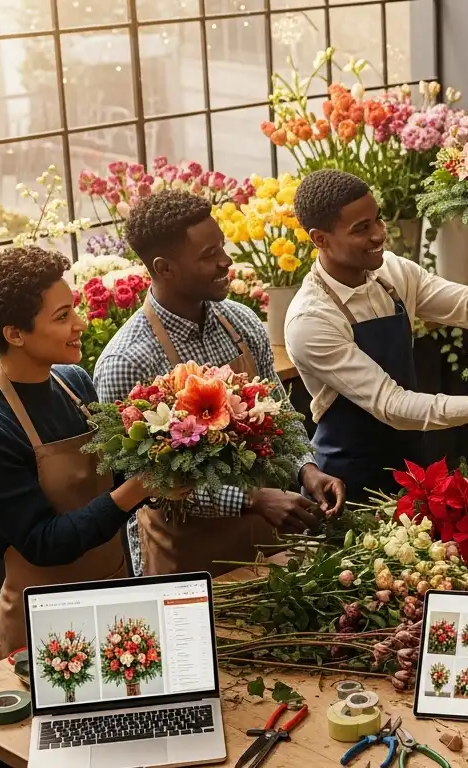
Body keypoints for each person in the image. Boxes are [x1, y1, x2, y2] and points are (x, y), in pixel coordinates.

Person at [95, 189, 345, 577]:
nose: (225, 262)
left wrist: (307, 470)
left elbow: (282, 419)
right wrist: (251, 498)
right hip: (184, 560)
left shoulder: (241, 323)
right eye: (208, 256)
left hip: (266, 538)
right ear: (164, 268)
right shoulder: (126, 361)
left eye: (221, 248)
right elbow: (146, 487)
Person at [0, 247, 166, 657]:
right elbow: (44, 543)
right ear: (15, 334)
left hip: (115, 593)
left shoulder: (75, 383)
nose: (80, 323)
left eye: (74, 309)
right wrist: (137, 490)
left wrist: (165, 461)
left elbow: (113, 474)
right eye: (62, 316)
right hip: (45, 620)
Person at [283, 169, 468, 502]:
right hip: (349, 483)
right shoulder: (311, 319)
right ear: (320, 239)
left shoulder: (393, 273)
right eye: (361, 229)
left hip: (413, 465)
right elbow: (392, 405)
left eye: (378, 220)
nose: (380, 234)